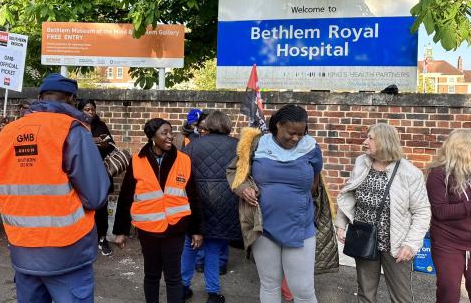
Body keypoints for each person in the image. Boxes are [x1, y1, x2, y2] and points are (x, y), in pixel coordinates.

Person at [0, 73, 110, 302]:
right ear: (72, 99)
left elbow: (3, 190)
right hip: (68, 249)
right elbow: (95, 196)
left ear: (39, 97)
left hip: (23, 249)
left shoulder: (7, 133)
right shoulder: (72, 130)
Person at [227, 104, 323, 303]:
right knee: (269, 285)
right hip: (263, 227)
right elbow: (235, 171)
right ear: (278, 125)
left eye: (301, 133)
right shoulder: (256, 144)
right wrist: (243, 188)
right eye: (291, 133)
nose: (296, 138)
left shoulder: (311, 148)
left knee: (303, 291)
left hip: (300, 228)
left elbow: (315, 182)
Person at [335, 123, 430, 303]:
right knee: (365, 293)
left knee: (401, 296)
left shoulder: (410, 173)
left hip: (396, 243)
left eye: (370, 138)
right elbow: (349, 193)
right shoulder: (362, 162)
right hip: (364, 237)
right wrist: (341, 223)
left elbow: (422, 212)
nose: (365, 142)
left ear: (385, 142)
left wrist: (410, 244)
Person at [113, 118, 203, 303]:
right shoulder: (137, 161)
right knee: (152, 275)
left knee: (173, 277)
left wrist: (196, 230)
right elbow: (125, 196)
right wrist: (121, 231)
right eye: (164, 133)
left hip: (175, 228)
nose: (170, 136)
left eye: (171, 132)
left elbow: (193, 196)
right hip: (148, 230)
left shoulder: (183, 160)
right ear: (152, 137)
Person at [180, 111, 240, 303]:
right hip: (224, 203)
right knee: (213, 249)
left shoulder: (192, 146)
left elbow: (183, 175)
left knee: (190, 247)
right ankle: (213, 293)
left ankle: (182, 287)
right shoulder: (238, 146)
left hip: (196, 202)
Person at [426, 129, 471, 302]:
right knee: (449, 292)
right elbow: (440, 211)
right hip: (448, 243)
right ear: (462, 149)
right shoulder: (438, 175)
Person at [77, 98, 116, 256]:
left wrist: (105, 144)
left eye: (92, 109)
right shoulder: (75, 126)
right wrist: (91, 140)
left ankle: (102, 239)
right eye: (87, 109)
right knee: (82, 209)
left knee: (101, 207)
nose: (90, 112)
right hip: (81, 173)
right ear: (80, 110)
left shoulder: (100, 125)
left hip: (100, 173)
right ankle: (83, 240)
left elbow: (112, 145)